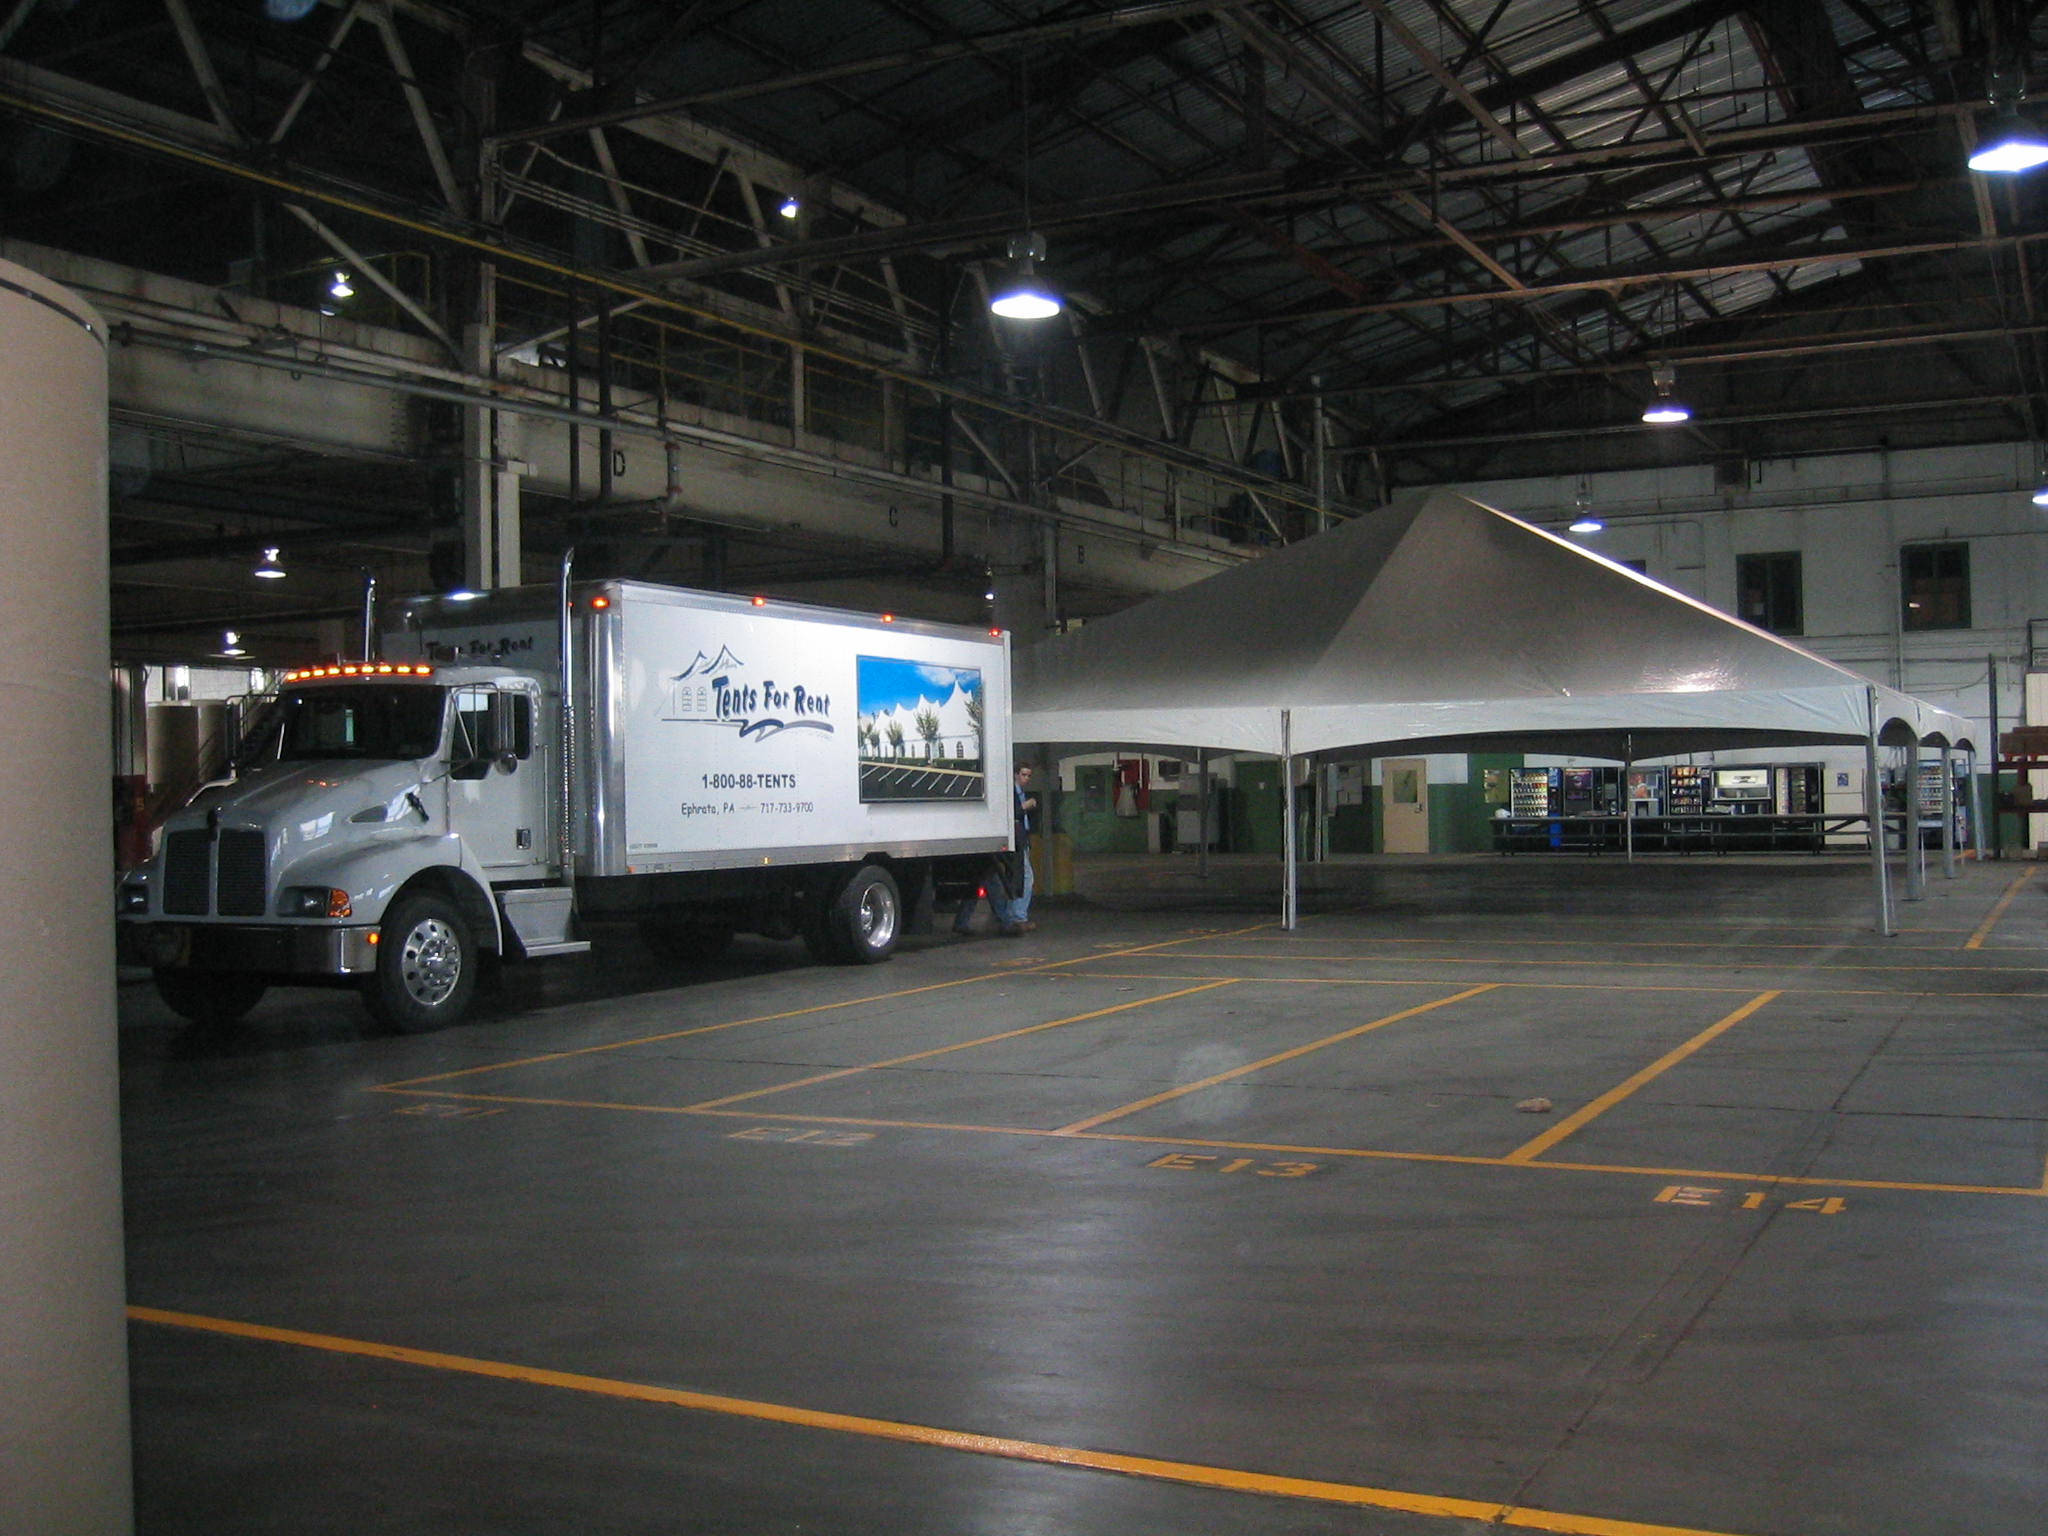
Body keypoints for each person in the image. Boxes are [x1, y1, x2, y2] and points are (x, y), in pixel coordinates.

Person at [999, 764, 1039, 935]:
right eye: (1024, 775)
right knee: (1025, 877)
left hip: (1022, 839)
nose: (1026, 779)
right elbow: (1009, 813)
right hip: (1016, 840)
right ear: (1016, 774)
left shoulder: (1020, 793)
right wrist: (1024, 806)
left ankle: (1013, 915)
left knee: (1017, 877)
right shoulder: (1012, 793)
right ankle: (1018, 916)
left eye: (1029, 775)